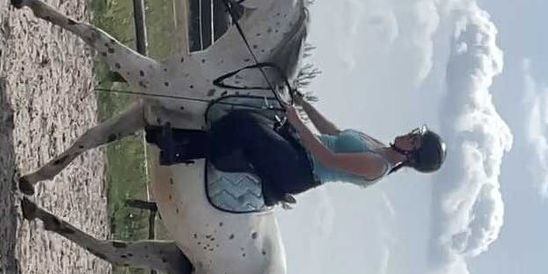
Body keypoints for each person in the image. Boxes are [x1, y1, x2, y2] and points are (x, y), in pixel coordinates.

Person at [146, 90, 447, 206]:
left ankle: (178, 150)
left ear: (412, 155)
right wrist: (304, 106)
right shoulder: (379, 147)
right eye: (414, 134)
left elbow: (327, 156)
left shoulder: (377, 167)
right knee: (258, 109)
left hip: (301, 169)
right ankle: (179, 135)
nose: (409, 135)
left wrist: (297, 123)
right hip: (301, 148)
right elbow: (335, 133)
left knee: (248, 127)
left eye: (415, 140)